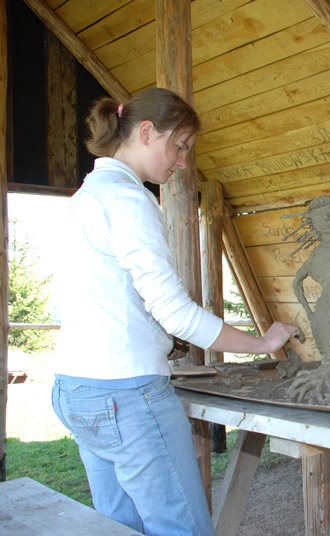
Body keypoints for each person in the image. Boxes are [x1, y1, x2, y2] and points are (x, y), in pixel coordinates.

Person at [50, 88, 300, 536]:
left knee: (119, 527)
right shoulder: (128, 200)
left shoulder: (84, 198)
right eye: (179, 146)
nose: (183, 161)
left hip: (75, 387)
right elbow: (175, 313)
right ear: (145, 132)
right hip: (126, 394)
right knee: (182, 529)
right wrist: (260, 343)